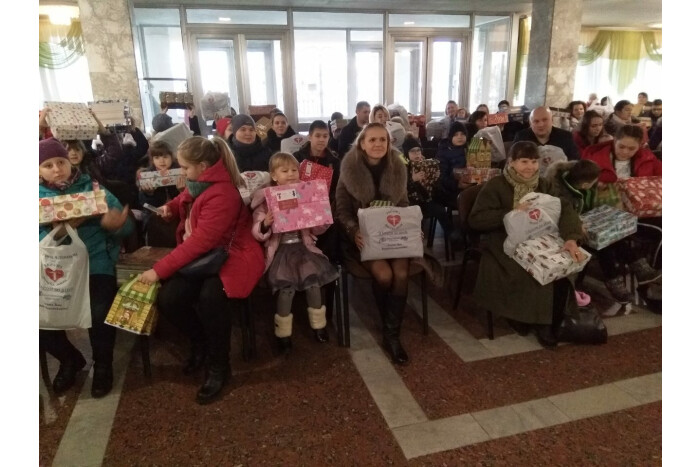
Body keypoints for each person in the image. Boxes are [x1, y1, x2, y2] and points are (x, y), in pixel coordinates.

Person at [137, 136, 265, 404]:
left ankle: (220, 364)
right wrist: (169, 207)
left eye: (184, 167)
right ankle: (201, 342)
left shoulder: (223, 193)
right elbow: (185, 198)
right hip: (207, 256)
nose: (181, 172)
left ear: (203, 165)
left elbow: (200, 241)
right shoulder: (201, 181)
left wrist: (157, 271)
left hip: (232, 256)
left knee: (211, 298)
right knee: (169, 299)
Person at [39, 138, 134, 398]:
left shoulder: (94, 189)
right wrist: (56, 231)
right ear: (38, 170)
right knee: (39, 317)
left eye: (61, 161)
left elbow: (126, 225)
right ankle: (70, 360)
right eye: (48, 165)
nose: (57, 168)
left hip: (94, 262)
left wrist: (115, 225)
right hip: (52, 269)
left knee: (99, 310)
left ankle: (103, 366)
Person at [468, 141, 585, 348]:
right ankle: (526, 318)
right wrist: (511, 213)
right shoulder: (496, 185)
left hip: (541, 237)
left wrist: (570, 237)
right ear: (512, 163)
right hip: (503, 239)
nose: (529, 167)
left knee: (560, 266)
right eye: (523, 161)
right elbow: (477, 219)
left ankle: (551, 320)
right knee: (527, 269)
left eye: (533, 161)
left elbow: (564, 208)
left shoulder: (544, 184)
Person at [335, 123, 412, 365]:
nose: (378, 144)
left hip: (394, 234)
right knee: (384, 275)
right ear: (362, 143)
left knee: (400, 273)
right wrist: (354, 231)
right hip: (363, 237)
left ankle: (392, 335)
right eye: (373, 140)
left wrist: (412, 228)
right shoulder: (349, 168)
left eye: (383, 140)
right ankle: (387, 323)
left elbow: (405, 205)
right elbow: (342, 211)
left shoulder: (398, 167)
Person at [251, 153, 338, 353]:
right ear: (274, 175)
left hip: (303, 247)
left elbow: (316, 229)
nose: (290, 174)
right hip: (280, 251)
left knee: (313, 283)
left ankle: (319, 326)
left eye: (293, 170)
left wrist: (321, 216)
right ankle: (283, 333)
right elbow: (256, 230)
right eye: (284, 171)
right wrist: (265, 223)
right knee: (286, 289)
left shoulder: (305, 193)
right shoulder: (266, 199)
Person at [582, 125, 662, 300]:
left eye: (632, 148)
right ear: (614, 142)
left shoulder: (647, 158)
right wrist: (596, 183)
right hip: (601, 209)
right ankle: (632, 268)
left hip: (637, 212)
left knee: (616, 228)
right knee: (608, 228)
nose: (625, 152)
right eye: (621, 147)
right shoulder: (594, 156)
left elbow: (660, 178)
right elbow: (580, 181)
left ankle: (621, 279)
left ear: (639, 146)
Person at [293, 120, 342, 263]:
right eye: (318, 135)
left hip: (324, 210)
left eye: (325, 136)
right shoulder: (297, 157)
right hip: (299, 209)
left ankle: (328, 271)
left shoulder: (334, 161)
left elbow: (337, 188)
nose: (321, 139)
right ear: (309, 136)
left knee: (331, 232)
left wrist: (328, 206)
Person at [137, 140, 185, 247]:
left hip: (176, 211)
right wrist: (149, 193)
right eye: (157, 157)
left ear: (171, 157)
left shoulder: (181, 171)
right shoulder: (147, 175)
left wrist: (182, 190)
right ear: (152, 159)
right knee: (152, 221)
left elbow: (184, 200)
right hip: (154, 212)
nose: (161, 161)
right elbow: (143, 203)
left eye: (165, 157)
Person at [513, 106, 580, 160]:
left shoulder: (566, 136)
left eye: (545, 120)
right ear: (530, 124)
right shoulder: (521, 137)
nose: (541, 125)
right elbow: (513, 160)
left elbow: (574, 162)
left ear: (552, 120)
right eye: (536, 121)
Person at [436, 121, 471, 209]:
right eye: (456, 134)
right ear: (450, 136)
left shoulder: (472, 149)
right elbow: (441, 176)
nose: (460, 137)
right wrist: (457, 184)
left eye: (462, 134)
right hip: (450, 190)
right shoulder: (443, 152)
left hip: (471, 185)